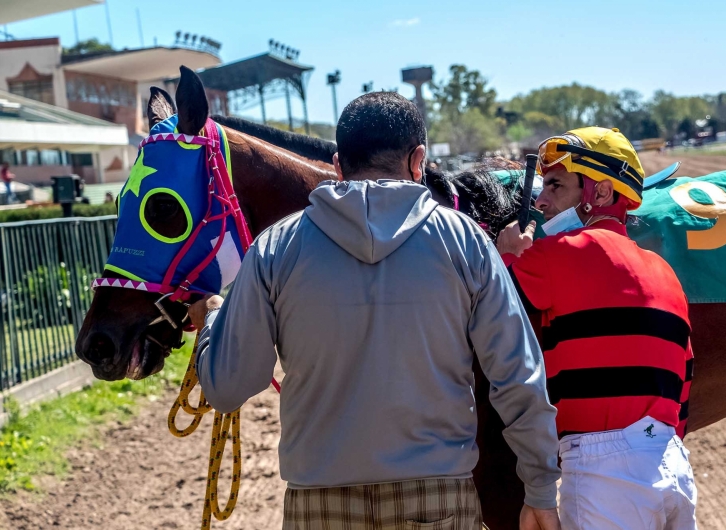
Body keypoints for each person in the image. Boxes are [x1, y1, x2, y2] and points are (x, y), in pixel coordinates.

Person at [191, 92, 562, 530]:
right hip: (438, 500)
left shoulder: (275, 248)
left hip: (318, 506)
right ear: (418, 160)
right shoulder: (465, 241)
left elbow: (228, 386)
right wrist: (539, 486)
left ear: (337, 164)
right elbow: (518, 375)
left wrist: (213, 321)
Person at [496, 127, 697, 530]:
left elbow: (490, 309)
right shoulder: (666, 273)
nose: (540, 200)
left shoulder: (551, 256)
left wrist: (505, 254)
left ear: (601, 194)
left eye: (556, 185)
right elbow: (685, 386)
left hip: (604, 472)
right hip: (674, 467)